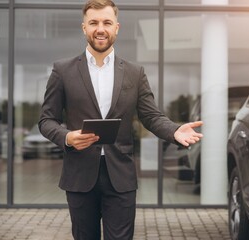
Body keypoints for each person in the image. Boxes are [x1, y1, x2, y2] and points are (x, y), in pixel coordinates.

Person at [38, 0, 203, 239]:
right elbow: (46, 120)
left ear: (117, 27)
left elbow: (151, 115)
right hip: (79, 176)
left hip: (120, 178)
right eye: (93, 22)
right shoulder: (62, 71)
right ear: (84, 27)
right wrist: (67, 137)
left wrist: (174, 130)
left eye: (107, 22)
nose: (100, 28)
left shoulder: (135, 73)